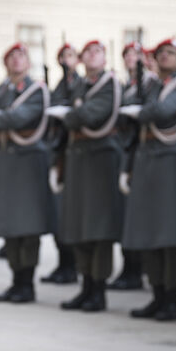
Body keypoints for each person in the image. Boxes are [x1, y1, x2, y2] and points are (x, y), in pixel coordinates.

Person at [120, 38, 176, 321]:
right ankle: (156, 294)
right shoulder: (151, 84)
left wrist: (141, 110)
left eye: (171, 53)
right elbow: (127, 105)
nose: (165, 57)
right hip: (147, 159)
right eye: (161, 53)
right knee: (149, 233)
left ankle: (171, 299)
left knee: (169, 235)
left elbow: (163, 111)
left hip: (170, 162)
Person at [0, 42, 53, 303]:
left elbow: (20, 117)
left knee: (28, 227)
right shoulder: (2, 90)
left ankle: (26, 283)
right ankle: (15, 280)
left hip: (29, 163)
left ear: (28, 63)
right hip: (6, 162)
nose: (17, 61)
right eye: (12, 57)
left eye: (21, 56)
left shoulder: (36, 90)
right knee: (11, 226)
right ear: (5, 64)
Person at [53, 40, 123, 313]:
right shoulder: (81, 84)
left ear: (105, 58)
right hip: (79, 158)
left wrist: (72, 115)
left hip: (100, 159)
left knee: (99, 228)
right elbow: (60, 103)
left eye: (97, 51)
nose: (92, 56)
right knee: (80, 226)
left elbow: (92, 114)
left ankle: (99, 289)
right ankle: (86, 286)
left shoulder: (109, 83)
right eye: (88, 52)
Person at [110, 41, 153, 291]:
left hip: (140, 151)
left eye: (135, 54)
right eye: (126, 54)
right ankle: (129, 267)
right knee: (127, 215)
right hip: (125, 149)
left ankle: (137, 269)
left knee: (137, 215)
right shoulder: (129, 85)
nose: (130, 58)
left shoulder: (148, 84)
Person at [42, 42, 80, 286]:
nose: (65, 60)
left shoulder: (78, 84)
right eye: (62, 56)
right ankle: (63, 262)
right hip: (57, 151)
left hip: (72, 152)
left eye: (70, 56)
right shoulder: (59, 85)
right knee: (59, 214)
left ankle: (72, 265)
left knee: (71, 213)